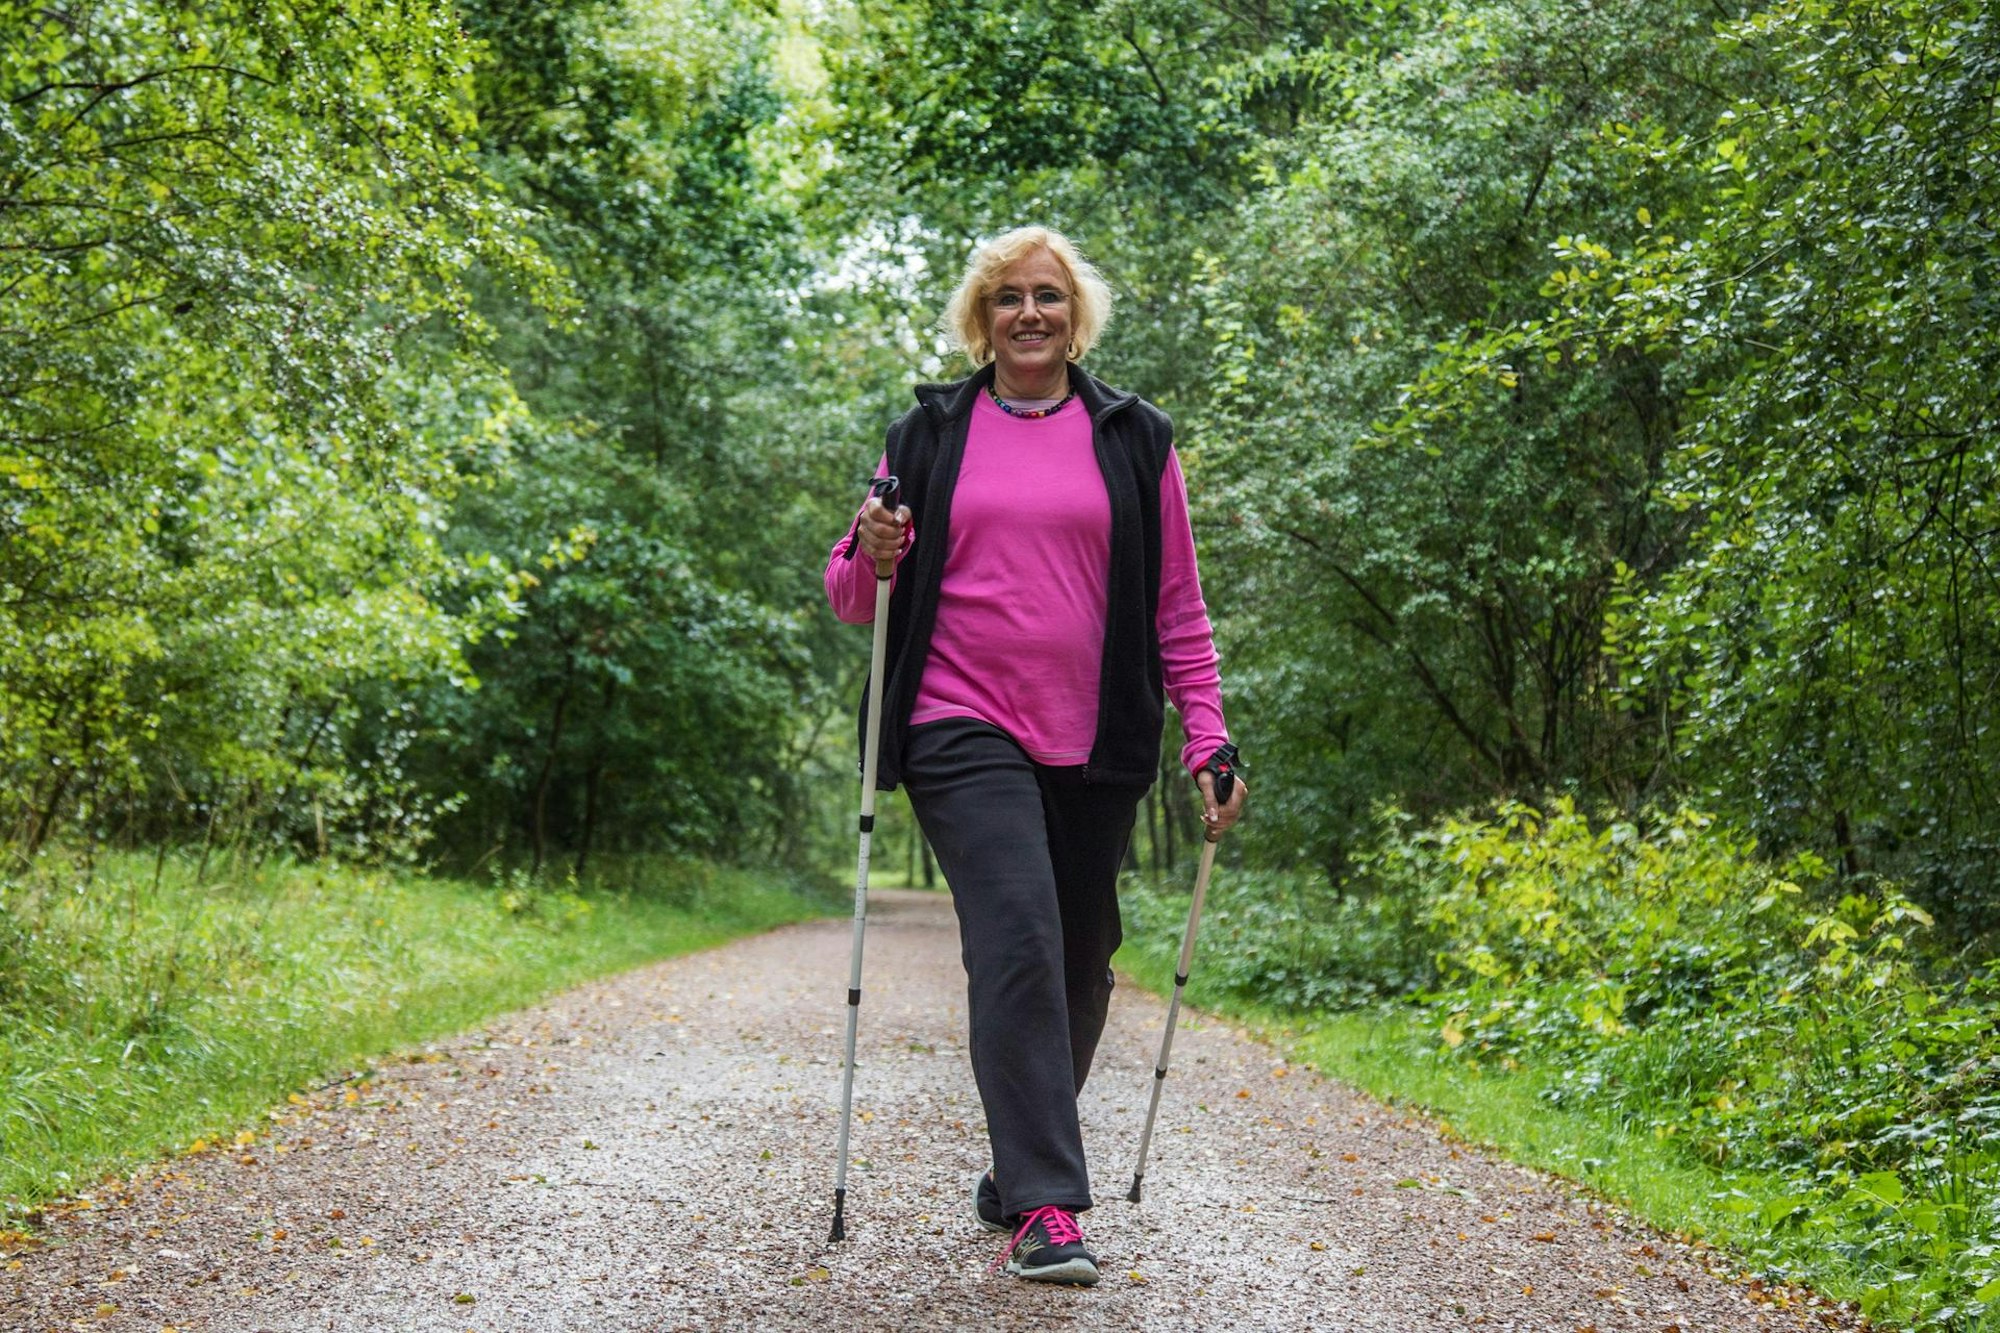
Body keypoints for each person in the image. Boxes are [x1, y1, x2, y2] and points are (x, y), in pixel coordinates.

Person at [824, 226, 1246, 1286]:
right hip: (955, 722)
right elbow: (851, 592)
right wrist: (869, 550)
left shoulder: (1134, 438)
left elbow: (1176, 606)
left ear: (1074, 315)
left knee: (1078, 955)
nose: (1028, 313)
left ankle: (1015, 1165)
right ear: (982, 316)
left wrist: (1207, 730)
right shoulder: (926, 433)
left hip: (1096, 735)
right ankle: (1048, 1206)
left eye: (1047, 296)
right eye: (1007, 296)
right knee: (1014, 935)